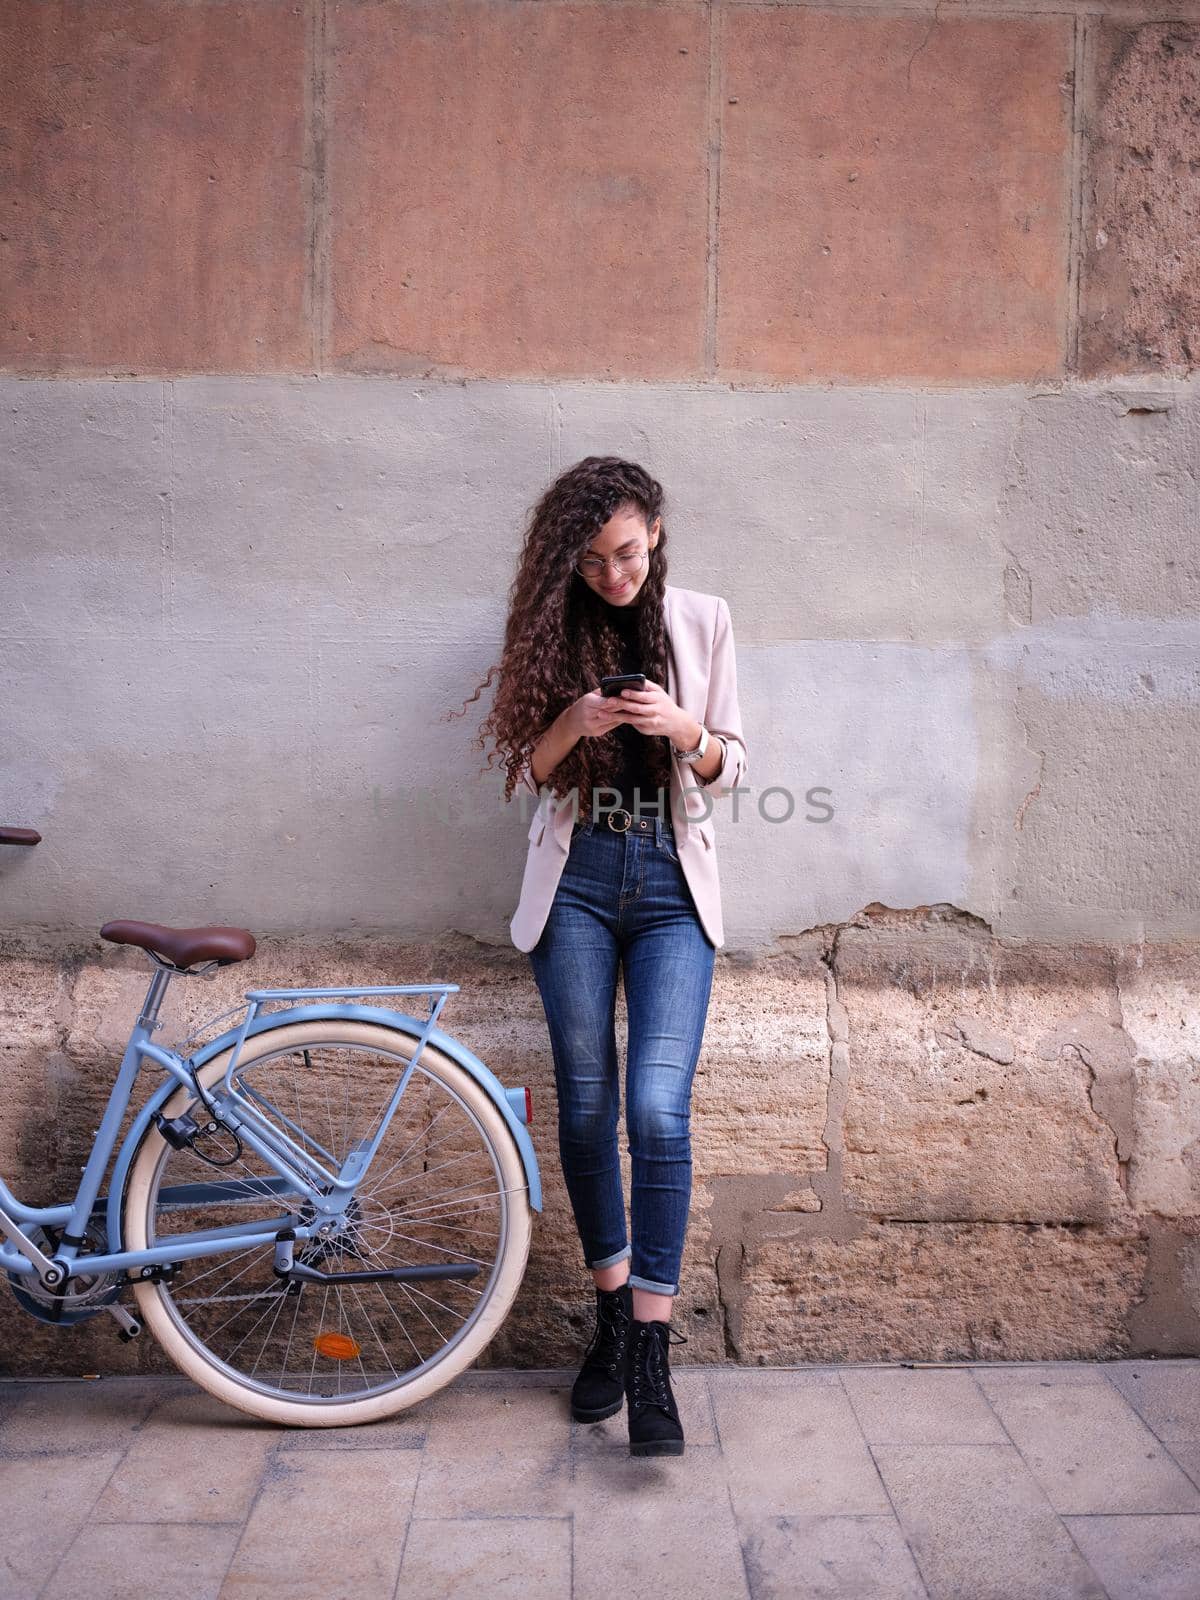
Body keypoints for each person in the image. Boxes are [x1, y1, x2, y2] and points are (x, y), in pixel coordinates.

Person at [466, 456, 748, 1457]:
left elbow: (737, 765)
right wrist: (571, 722)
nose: (613, 575)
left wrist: (685, 730)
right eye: (592, 560)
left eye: (626, 552)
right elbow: (526, 774)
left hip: (671, 886)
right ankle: (612, 1316)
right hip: (579, 879)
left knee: (656, 1108)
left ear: (657, 533)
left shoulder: (705, 619)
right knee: (586, 1104)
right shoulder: (558, 627)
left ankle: (654, 1355)